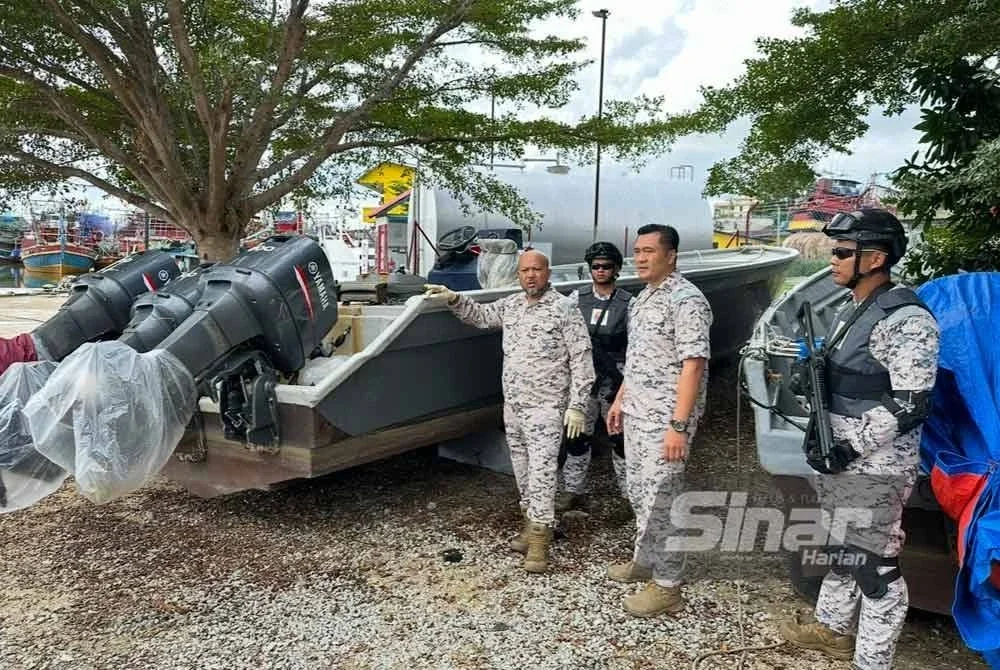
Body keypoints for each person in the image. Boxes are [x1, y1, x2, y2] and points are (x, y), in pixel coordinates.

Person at [780, 208, 940, 670]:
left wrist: (851, 445)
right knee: (841, 545)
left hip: (876, 463)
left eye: (842, 253)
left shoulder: (906, 319)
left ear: (874, 259)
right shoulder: (852, 308)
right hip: (840, 457)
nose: (832, 260)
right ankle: (832, 627)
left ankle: (872, 660)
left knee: (876, 566)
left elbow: (912, 402)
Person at [424, 250, 595, 573]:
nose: (531, 276)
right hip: (514, 407)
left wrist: (577, 406)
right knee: (522, 470)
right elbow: (481, 316)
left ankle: (541, 541)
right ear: (518, 275)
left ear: (548, 273)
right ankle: (530, 526)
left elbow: (582, 361)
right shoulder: (512, 306)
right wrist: (453, 298)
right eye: (525, 270)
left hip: (547, 408)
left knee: (543, 473)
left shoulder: (564, 310)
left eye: (537, 270)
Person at [606, 223, 712, 617]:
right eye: (637, 251)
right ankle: (645, 559)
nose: (640, 257)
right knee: (640, 493)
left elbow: (694, 366)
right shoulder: (643, 299)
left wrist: (679, 427)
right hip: (637, 414)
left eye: (650, 250)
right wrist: (620, 399)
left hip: (666, 421)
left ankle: (668, 586)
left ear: (671, 255)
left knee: (663, 502)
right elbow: (638, 360)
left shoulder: (686, 300)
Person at [557, 241, 632, 512]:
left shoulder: (628, 303)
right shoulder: (577, 299)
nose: (600, 271)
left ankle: (629, 496)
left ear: (616, 269)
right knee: (576, 437)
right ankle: (573, 491)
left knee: (621, 440)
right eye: (595, 266)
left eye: (606, 266)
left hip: (616, 381)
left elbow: (637, 346)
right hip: (585, 381)